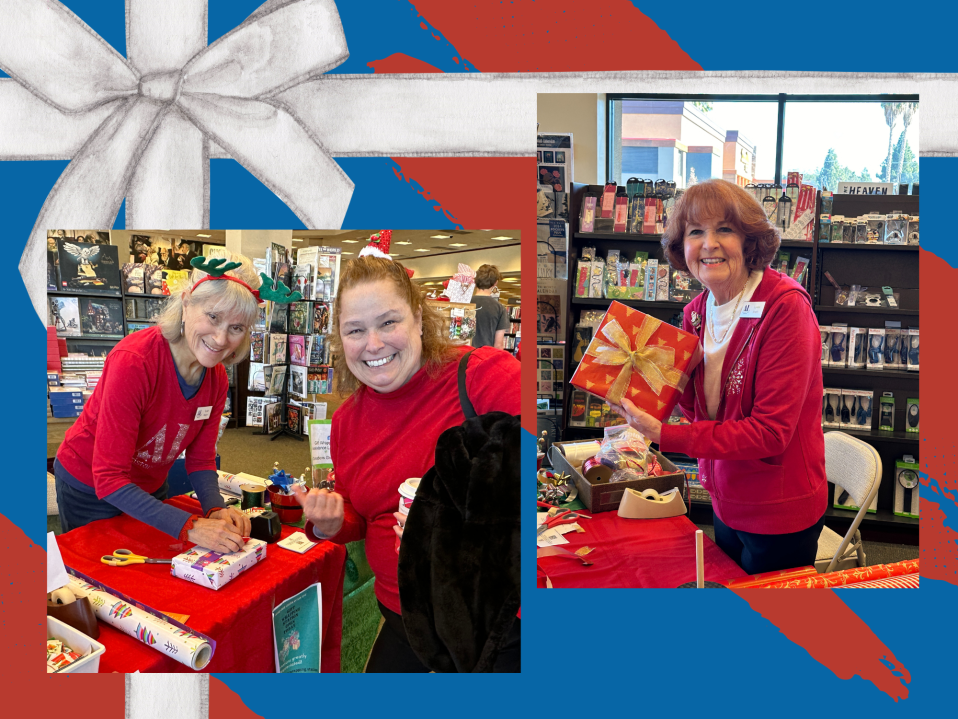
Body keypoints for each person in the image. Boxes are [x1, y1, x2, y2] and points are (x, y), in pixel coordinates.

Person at [292, 237, 520, 672]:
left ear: (418, 317)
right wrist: (333, 522)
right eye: (355, 330)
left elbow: (541, 485)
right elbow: (362, 514)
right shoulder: (347, 422)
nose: (373, 344)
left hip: (492, 624)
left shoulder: (484, 377)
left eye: (388, 322)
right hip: (402, 618)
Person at [613, 179, 827, 576]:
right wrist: (633, 394)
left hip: (777, 509)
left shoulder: (785, 309)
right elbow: (700, 408)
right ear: (683, 247)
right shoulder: (697, 311)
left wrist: (664, 433)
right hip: (723, 495)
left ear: (749, 241)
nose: (708, 244)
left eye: (723, 229)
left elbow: (770, 432)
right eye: (695, 232)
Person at [54, 252, 261, 553]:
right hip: (89, 489)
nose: (220, 339)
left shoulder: (216, 379)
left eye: (237, 328)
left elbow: (201, 460)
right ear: (187, 302)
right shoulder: (135, 362)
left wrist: (215, 509)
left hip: (147, 487)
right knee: (98, 579)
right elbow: (109, 477)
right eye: (213, 317)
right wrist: (190, 526)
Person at [470, 264, 511, 349]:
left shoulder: (463, 303)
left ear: (475, 281)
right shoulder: (500, 308)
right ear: (495, 283)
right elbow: (498, 345)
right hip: (485, 358)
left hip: (464, 357)